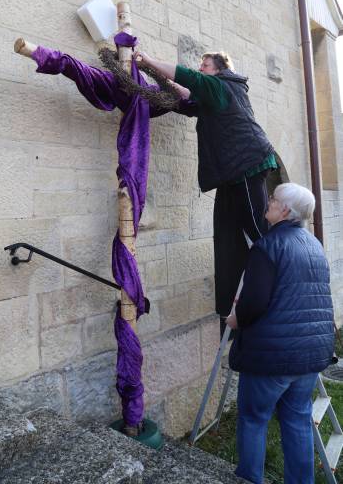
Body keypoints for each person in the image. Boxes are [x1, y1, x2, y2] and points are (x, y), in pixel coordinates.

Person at [134, 50, 276, 322]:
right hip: (232, 172)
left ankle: (280, 275)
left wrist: (150, 60)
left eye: (205, 65)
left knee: (258, 229)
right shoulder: (213, 93)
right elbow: (185, 94)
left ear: (220, 68)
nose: (201, 68)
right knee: (227, 234)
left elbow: (190, 79)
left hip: (247, 163)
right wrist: (155, 79)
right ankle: (232, 304)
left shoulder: (221, 84)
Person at [226, 182, 335, 484]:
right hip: (310, 358)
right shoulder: (313, 245)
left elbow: (254, 303)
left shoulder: (267, 246)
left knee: (253, 419)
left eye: (273, 200)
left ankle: (249, 479)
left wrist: (236, 319)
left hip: (271, 358)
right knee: (298, 420)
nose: (268, 204)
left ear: (285, 210)